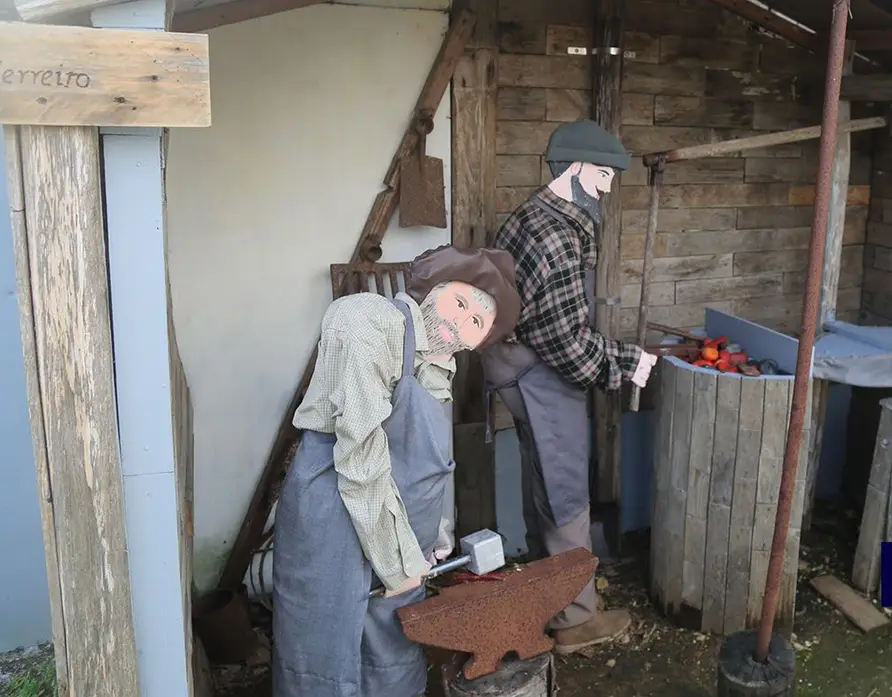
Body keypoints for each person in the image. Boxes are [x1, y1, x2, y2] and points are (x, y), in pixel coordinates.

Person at [272, 245, 519, 697]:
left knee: (392, 650)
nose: (459, 324)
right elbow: (360, 455)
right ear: (433, 289)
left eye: (475, 324)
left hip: (394, 526)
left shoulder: (438, 365)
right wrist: (398, 561)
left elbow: (422, 463)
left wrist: (432, 530)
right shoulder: (369, 321)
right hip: (335, 512)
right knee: (326, 650)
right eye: (459, 303)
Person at [481, 119, 658, 655]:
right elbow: (568, 348)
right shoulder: (556, 235)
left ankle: (547, 595)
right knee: (564, 491)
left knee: (544, 480)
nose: (606, 187)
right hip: (536, 369)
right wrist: (630, 362)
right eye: (603, 175)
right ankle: (574, 621)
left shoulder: (534, 213)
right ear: (575, 169)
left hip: (510, 362)